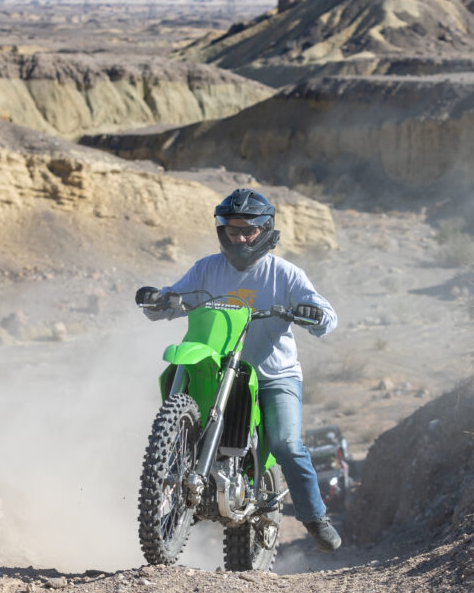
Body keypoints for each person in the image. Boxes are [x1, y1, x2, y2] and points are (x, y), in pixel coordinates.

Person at [136, 188, 341, 552]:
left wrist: (314, 314)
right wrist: (158, 300)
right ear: (222, 231)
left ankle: (314, 516)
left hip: (273, 375)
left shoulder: (285, 274)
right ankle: (180, 487)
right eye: (233, 230)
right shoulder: (206, 269)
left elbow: (327, 316)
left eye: (249, 230)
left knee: (285, 443)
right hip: (221, 370)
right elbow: (172, 301)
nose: (240, 238)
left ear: (265, 231)